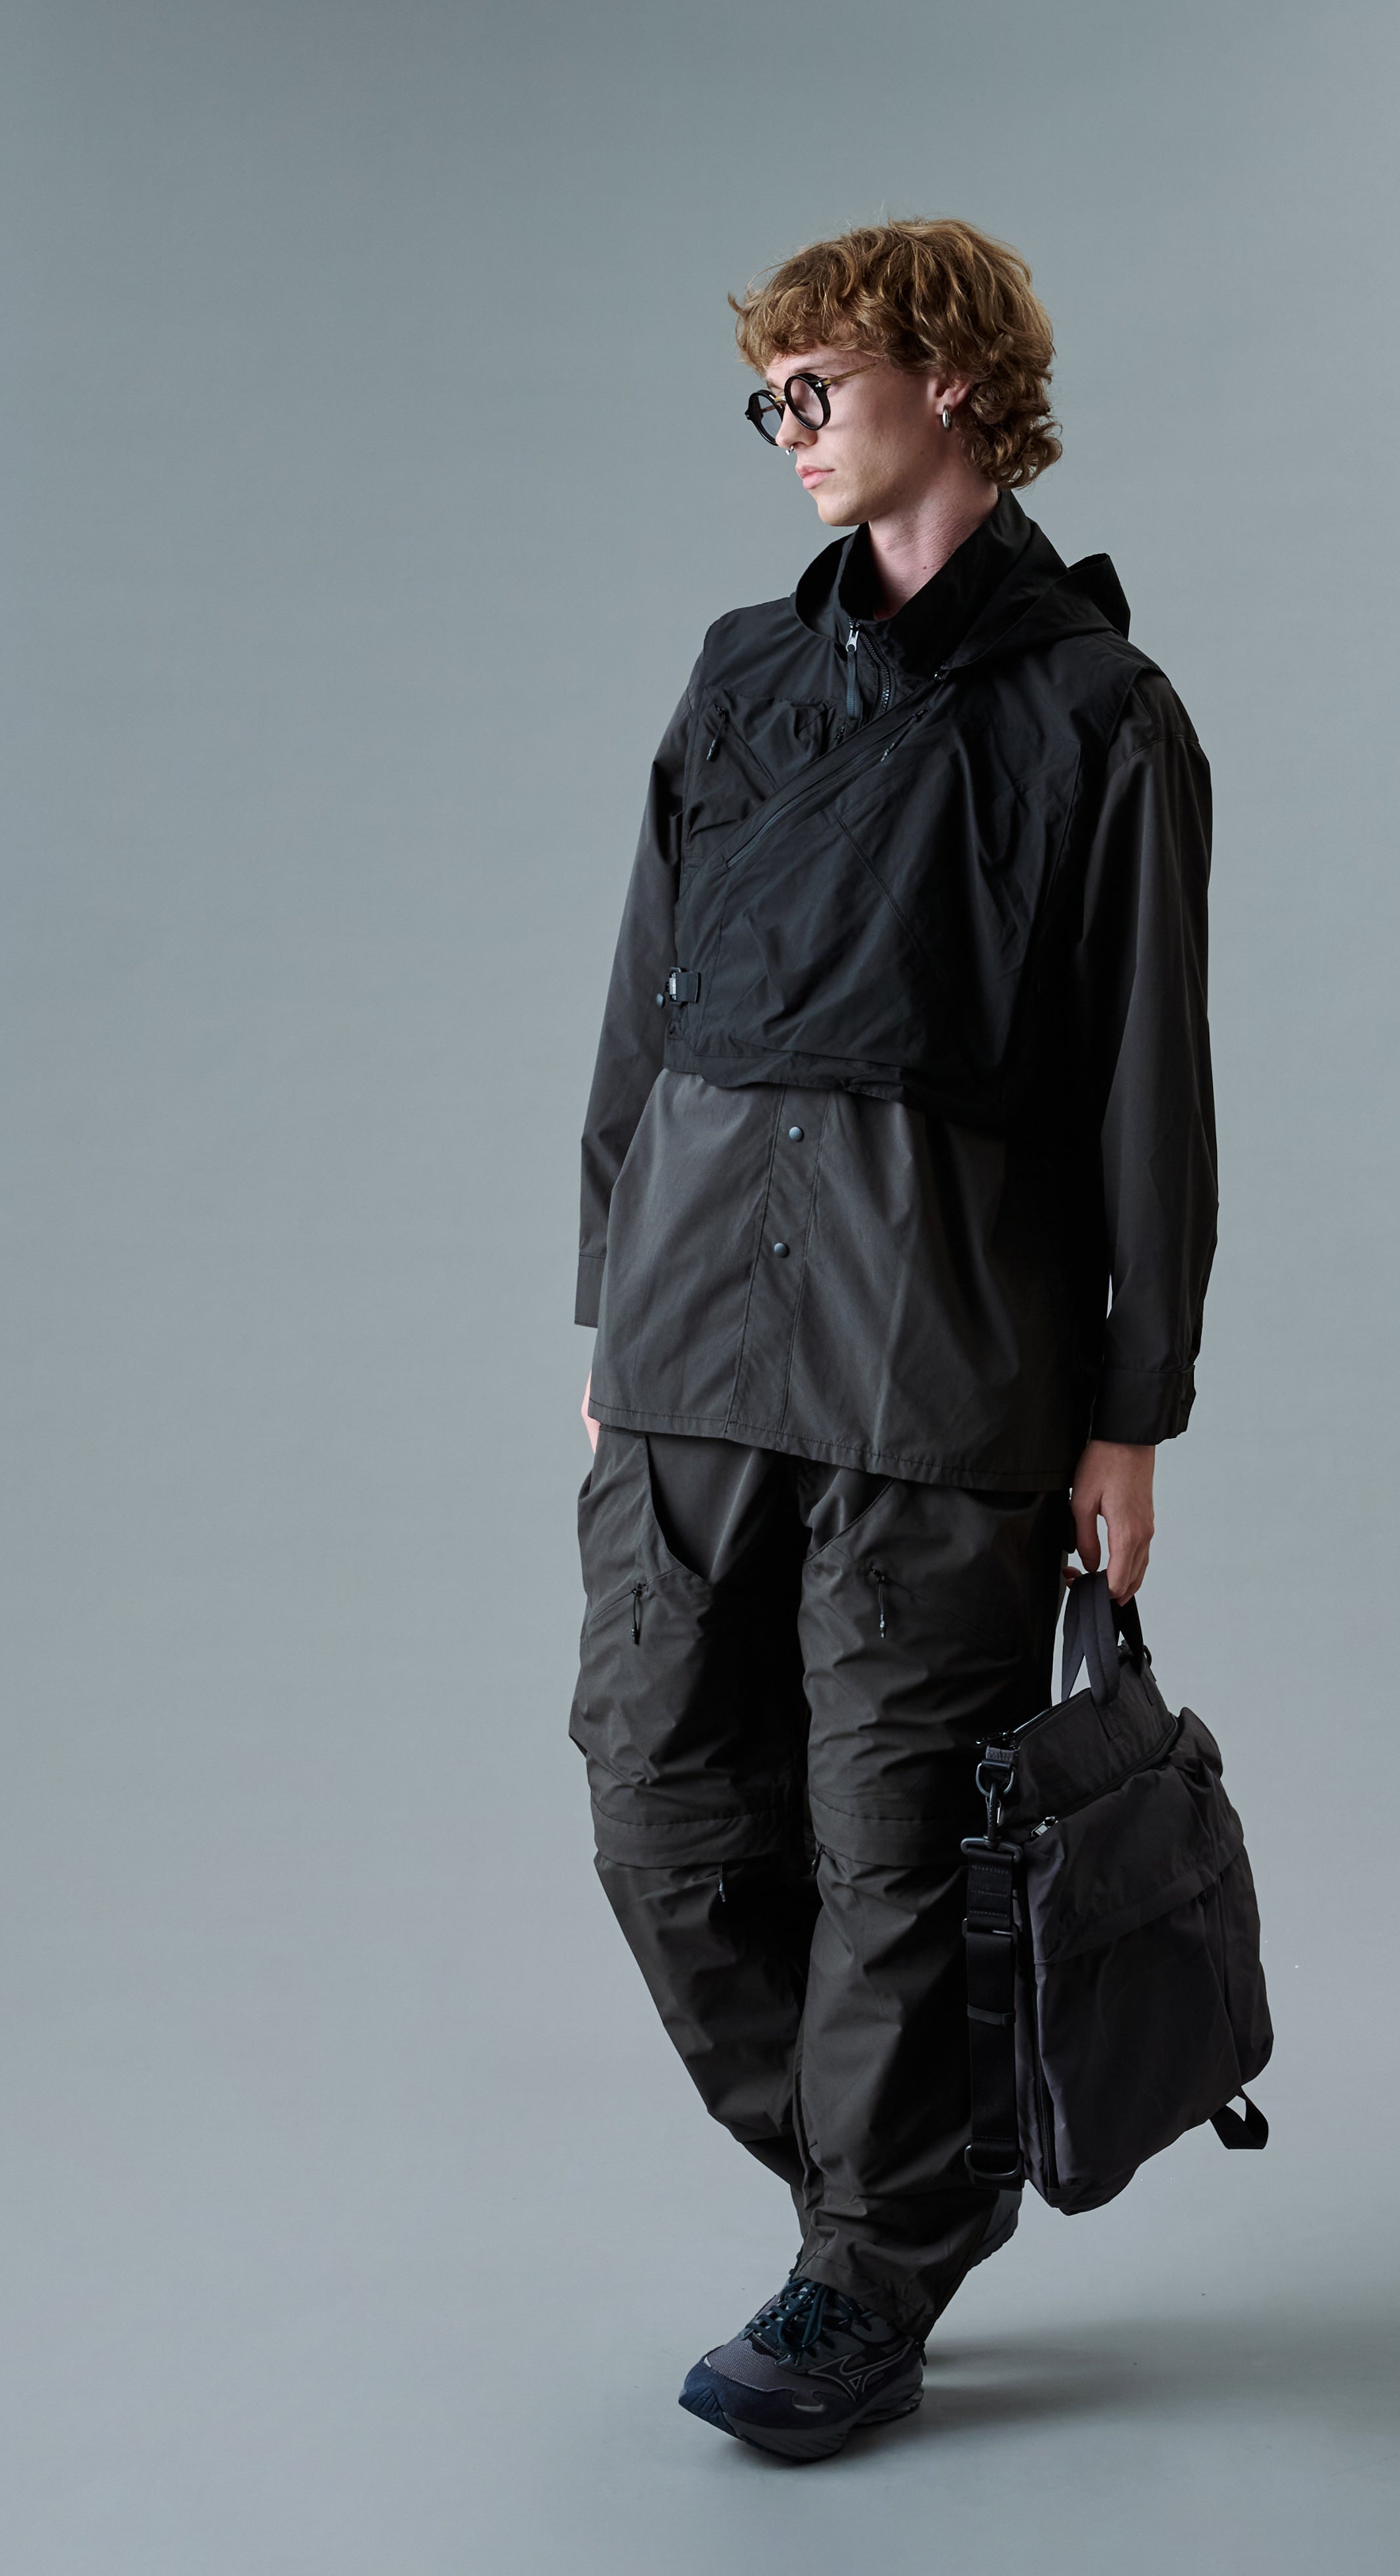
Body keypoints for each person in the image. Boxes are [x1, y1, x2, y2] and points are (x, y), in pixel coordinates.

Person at [568, 218, 1216, 2461]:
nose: (787, 429)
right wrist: (608, 1296)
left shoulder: (1096, 714)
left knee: (890, 1844)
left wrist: (1132, 1413)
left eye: (815, 384)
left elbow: (1147, 1087)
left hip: (942, 1358)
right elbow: (643, 1014)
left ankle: (863, 2269)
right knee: (657, 1803)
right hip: (688, 1336)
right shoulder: (741, 675)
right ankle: (903, 2187)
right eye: (766, 397)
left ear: (948, 378)